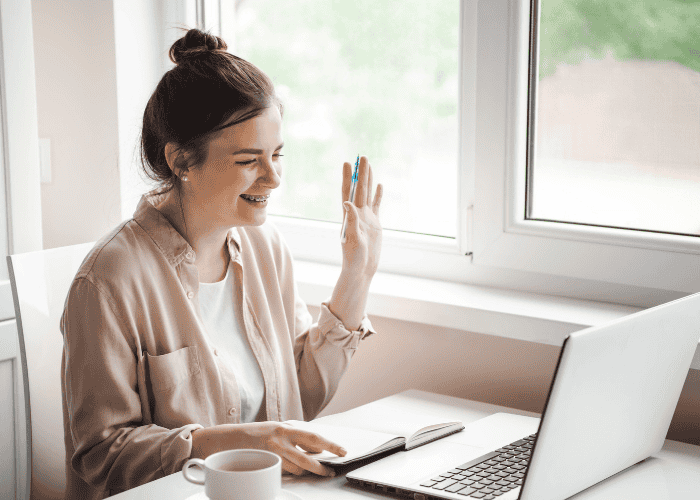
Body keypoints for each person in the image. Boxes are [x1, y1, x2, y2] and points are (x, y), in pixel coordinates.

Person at [60, 27, 384, 499]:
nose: (273, 178)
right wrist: (234, 442)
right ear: (180, 160)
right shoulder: (109, 281)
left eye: (277, 155)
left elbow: (302, 399)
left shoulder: (266, 248)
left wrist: (358, 272)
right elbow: (100, 458)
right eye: (249, 160)